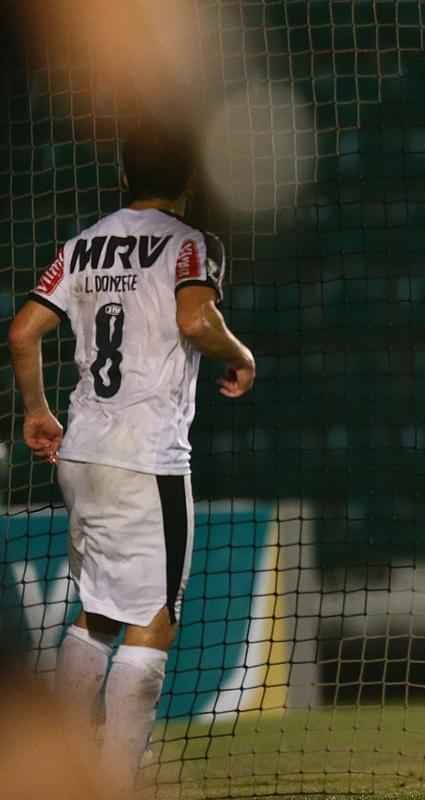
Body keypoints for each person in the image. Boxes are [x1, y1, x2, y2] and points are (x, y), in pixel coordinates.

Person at [8, 124, 256, 792]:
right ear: (191, 183)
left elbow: (23, 329)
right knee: (155, 621)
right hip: (147, 457)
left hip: (82, 452)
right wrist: (241, 356)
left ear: (123, 179)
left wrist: (36, 410)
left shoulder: (83, 245)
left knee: (98, 615)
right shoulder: (192, 245)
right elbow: (198, 322)